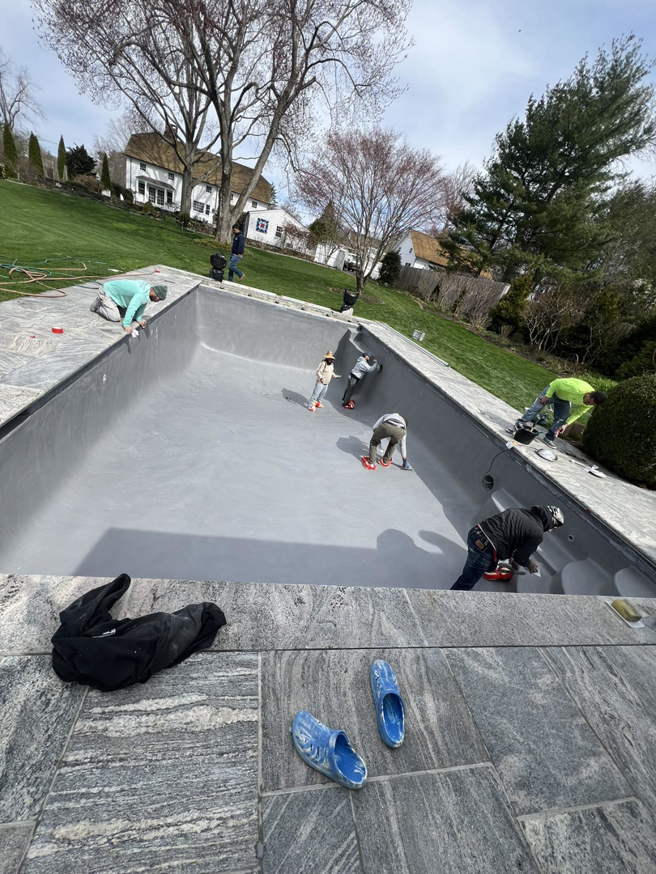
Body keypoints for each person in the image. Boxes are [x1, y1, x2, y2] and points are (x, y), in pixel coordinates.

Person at [450, 505, 565, 591]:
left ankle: (479, 567)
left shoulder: (519, 511)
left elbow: (508, 533)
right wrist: (530, 565)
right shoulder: (537, 534)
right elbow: (520, 557)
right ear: (550, 523)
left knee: (487, 565)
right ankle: (447, 603)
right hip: (484, 548)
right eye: (553, 528)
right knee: (466, 582)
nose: (550, 530)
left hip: (475, 532)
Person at [514, 378, 607, 447]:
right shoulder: (577, 388)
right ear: (589, 394)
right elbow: (556, 382)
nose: (587, 404)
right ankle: (519, 424)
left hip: (564, 399)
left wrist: (566, 424)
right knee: (536, 408)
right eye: (588, 401)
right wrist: (548, 396)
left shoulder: (589, 404)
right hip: (553, 391)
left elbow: (578, 413)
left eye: (591, 404)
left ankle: (549, 437)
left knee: (562, 418)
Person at [90, 280, 168, 334]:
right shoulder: (141, 294)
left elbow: (142, 304)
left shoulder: (147, 288)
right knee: (115, 317)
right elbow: (132, 307)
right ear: (156, 294)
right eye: (159, 299)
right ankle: (99, 305)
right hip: (107, 291)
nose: (157, 301)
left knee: (131, 316)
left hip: (116, 296)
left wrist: (139, 319)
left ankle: (109, 304)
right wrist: (126, 324)